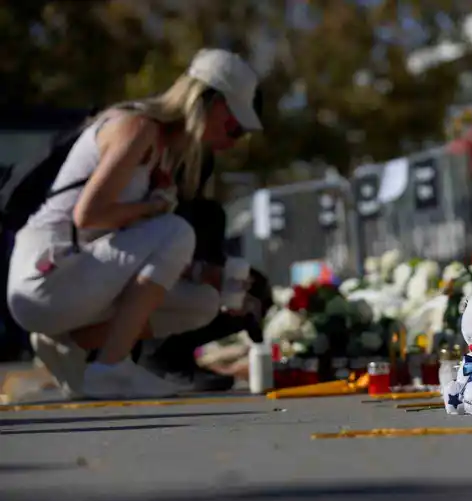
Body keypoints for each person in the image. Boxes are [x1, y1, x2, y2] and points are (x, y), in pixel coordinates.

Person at [6, 49, 263, 400]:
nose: (232, 141)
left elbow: (129, 248)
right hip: (45, 276)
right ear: (208, 101)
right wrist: (152, 207)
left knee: (201, 302)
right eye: (234, 127)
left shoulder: (164, 154)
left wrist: (207, 273)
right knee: (177, 230)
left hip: (78, 277)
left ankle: (69, 344)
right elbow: (88, 215)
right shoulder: (137, 127)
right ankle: (111, 368)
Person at [134, 150, 273, 392]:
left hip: (188, 287)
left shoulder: (208, 214)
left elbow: (216, 262)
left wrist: (239, 287)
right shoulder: (148, 208)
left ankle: (179, 356)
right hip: (144, 288)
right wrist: (203, 274)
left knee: (255, 286)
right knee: (195, 293)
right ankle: (155, 358)